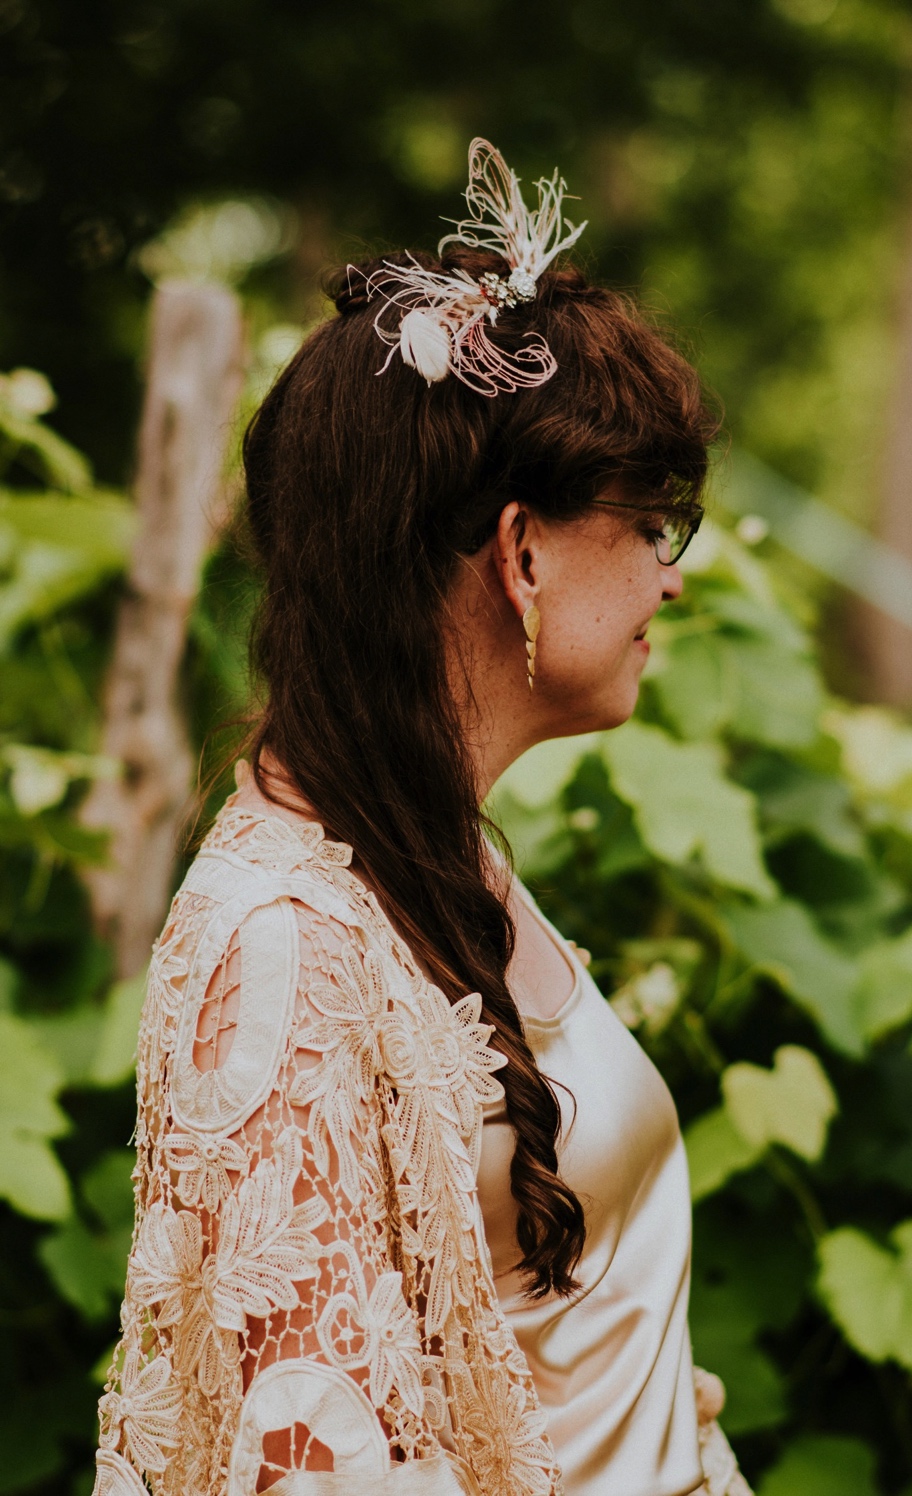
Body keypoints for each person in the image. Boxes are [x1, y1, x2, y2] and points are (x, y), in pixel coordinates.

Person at [94, 141, 749, 1496]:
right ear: (519, 553)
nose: (669, 581)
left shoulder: (432, 858)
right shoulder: (278, 948)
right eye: (650, 524)